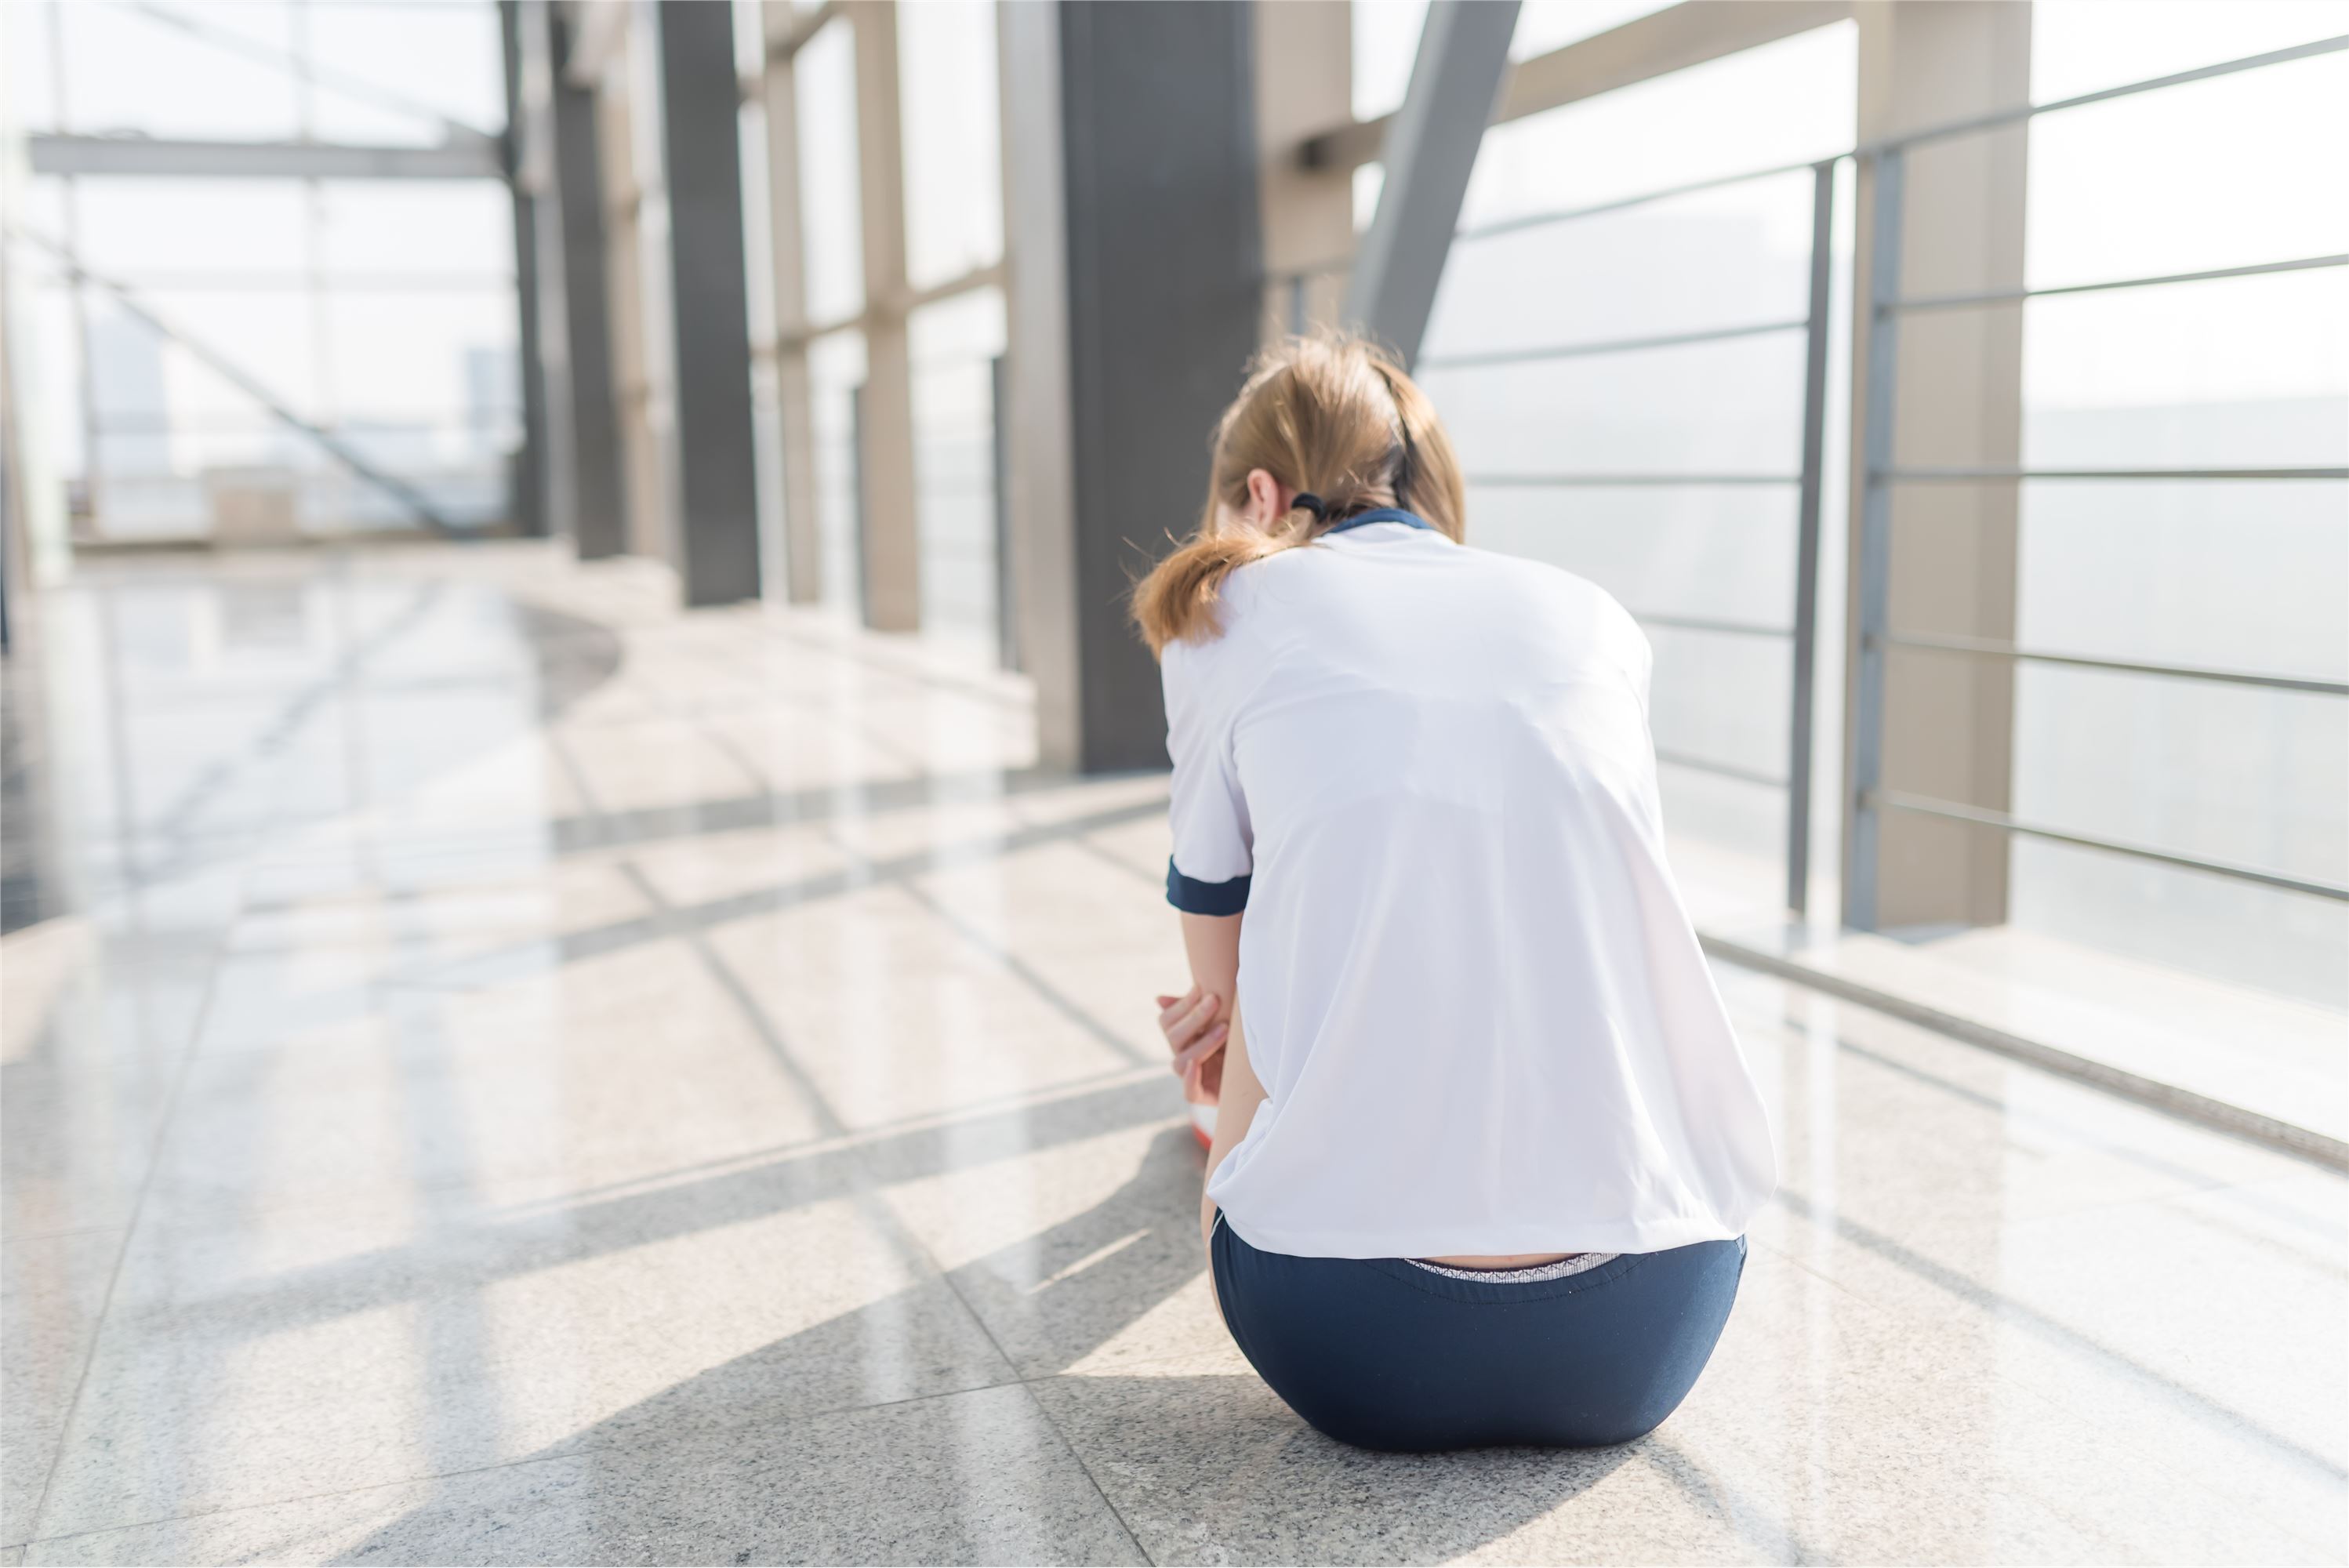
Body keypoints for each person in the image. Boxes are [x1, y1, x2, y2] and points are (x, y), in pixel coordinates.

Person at [1135, 332, 1776, 1453]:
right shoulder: (1592, 618)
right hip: (1649, 1326)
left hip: (1351, 1338)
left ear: (1260, 496)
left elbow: (1217, 964)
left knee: (1249, 1013)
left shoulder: (1225, 616)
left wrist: (1231, 1023)